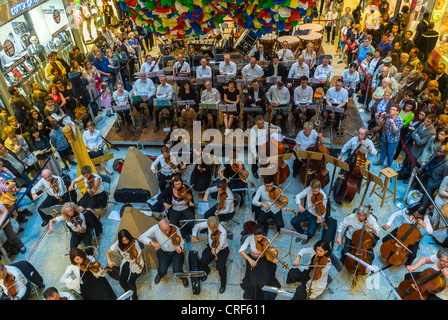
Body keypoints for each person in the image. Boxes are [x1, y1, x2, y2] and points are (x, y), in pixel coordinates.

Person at [139, 218, 189, 288]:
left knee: (177, 270)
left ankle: (183, 277)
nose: (167, 232)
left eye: (168, 229)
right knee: (162, 270)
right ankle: (160, 274)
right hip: (163, 252)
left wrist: (180, 247)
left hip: (175, 252)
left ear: (169, 224)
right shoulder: (155, 229)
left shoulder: (175, 228)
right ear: (159, 228)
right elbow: (141, 237)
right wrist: (152, 242)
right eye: (164, 231)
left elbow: (181, 242)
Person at [239, 223, 281, 300]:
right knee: (254, 283)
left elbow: (268, 254)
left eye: (261, 237)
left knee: (265, 282)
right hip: (252, 259)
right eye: (257, 237)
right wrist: (250, 259)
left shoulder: (266, 240)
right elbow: (241, 250)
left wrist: (273, 259)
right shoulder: (249, 238)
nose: (259, 239)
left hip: (262, 260)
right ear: (254, 234)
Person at [191, 216, 229, 294]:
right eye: (210, 228)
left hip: (222, 249)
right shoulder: (209, 224)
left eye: (214, 228)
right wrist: (194, 235)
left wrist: (215, 250)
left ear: (218, 224)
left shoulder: (223, 232)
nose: (212, 230)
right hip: (211, 246)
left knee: (220, 267)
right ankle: (207, 271)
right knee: (202, 261)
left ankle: (223, 284)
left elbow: (220, 245)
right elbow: (197, 226)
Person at [105, 229, 144, 300]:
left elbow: (138, 256)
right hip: (127, 261)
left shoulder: (134, 242)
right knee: (122, 281)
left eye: (127, 239)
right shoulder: (118, 243)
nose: (126, 242)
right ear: (120, 240)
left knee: (131, 282)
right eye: (123, 241)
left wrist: (136, 260)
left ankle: (135, 298)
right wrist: (109, 261)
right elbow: (107, 253)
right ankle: (128, 294)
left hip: (136, 262)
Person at [155, 174, 195, 240]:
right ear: (173, 184)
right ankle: (184, 234)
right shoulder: (169, 189)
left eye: (179, 184)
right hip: (175, 208)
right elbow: (159, 197)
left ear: (182, 182)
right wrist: (165, 204)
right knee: (173, 224)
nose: (178, 186)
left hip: (186, 208)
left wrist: (191, 203)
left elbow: (191, 199)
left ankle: (187, 231)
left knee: (191, 221)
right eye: (176, 184)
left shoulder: (187, 188)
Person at [291, 179, 328, 244]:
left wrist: (320, 218)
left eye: (316, 191)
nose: (314, 193)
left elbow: (323, 210)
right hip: (307, 211)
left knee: (311, 233)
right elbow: (298, 196)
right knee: (293, 221)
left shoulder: (323, 196)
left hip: (315, 215)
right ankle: (301, 233)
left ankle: (307, 237)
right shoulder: (309, 189)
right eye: (312, 191)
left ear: (319, 188)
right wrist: (299, 205)